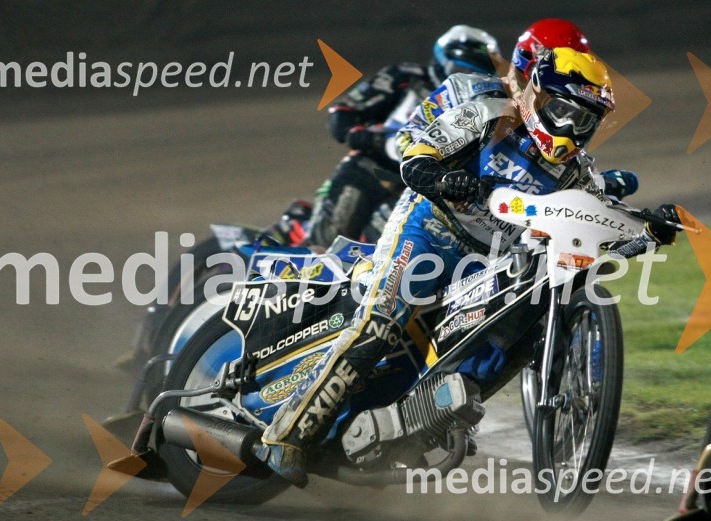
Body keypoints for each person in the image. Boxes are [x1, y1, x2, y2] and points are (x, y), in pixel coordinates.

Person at [257, 45, 677, 487]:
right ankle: (287, 433)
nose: (571, 129)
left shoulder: (577, 174)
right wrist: (441, 178)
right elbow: (415, 156)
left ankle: (422, 422)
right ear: (536, 95)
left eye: (585, 121)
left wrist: (648, 231)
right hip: (427, 229)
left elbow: (599, 230)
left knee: (508, 337)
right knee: (380, 321)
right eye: (563, 111)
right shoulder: (491, 114)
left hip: (483, 263)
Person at [396, 17, 638, 203]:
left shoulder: (557, 115)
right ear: (534, 60)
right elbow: (406, 139)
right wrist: (446, 178)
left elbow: (551, 173)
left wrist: (599, 185)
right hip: (424, 197)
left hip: (507, 223)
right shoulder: (469, 87)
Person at [305, 25, 502, 248]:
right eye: (458, 70)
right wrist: (359, 135)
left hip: (424, 183)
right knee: (328, 237)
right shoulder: (405, 76)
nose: (465, 79)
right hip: (375, 165)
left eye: (476, 73)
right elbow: (342, 112)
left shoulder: (487, 102)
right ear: (440, 61)